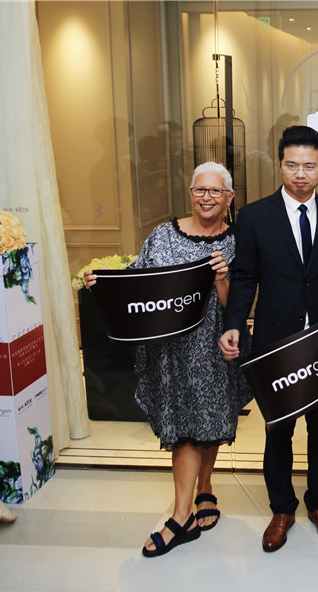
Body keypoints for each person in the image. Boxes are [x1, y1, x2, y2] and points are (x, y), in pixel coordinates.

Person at [83, 161, 251, 557]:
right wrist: (103, 284)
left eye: (215, 191)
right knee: (184, 428)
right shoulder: (162, 234)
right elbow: (137, 280)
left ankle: (205, 488)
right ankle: (181, 515)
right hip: (171, 351)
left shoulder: (239, 242)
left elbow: (239, 305)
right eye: (199, 190)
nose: (207, 198)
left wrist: (222, 278)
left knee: (211, 422)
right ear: (190, 193)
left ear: (229, 197)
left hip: (215, 348)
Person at [218, 126, 318, 552]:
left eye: (309, 166)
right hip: (275, 343)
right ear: (280, 165)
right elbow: (245, 277)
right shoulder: (254, 217)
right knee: (278, 430)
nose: (300, 174)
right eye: (292, 165)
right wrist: (234, 323)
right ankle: (281, 508)